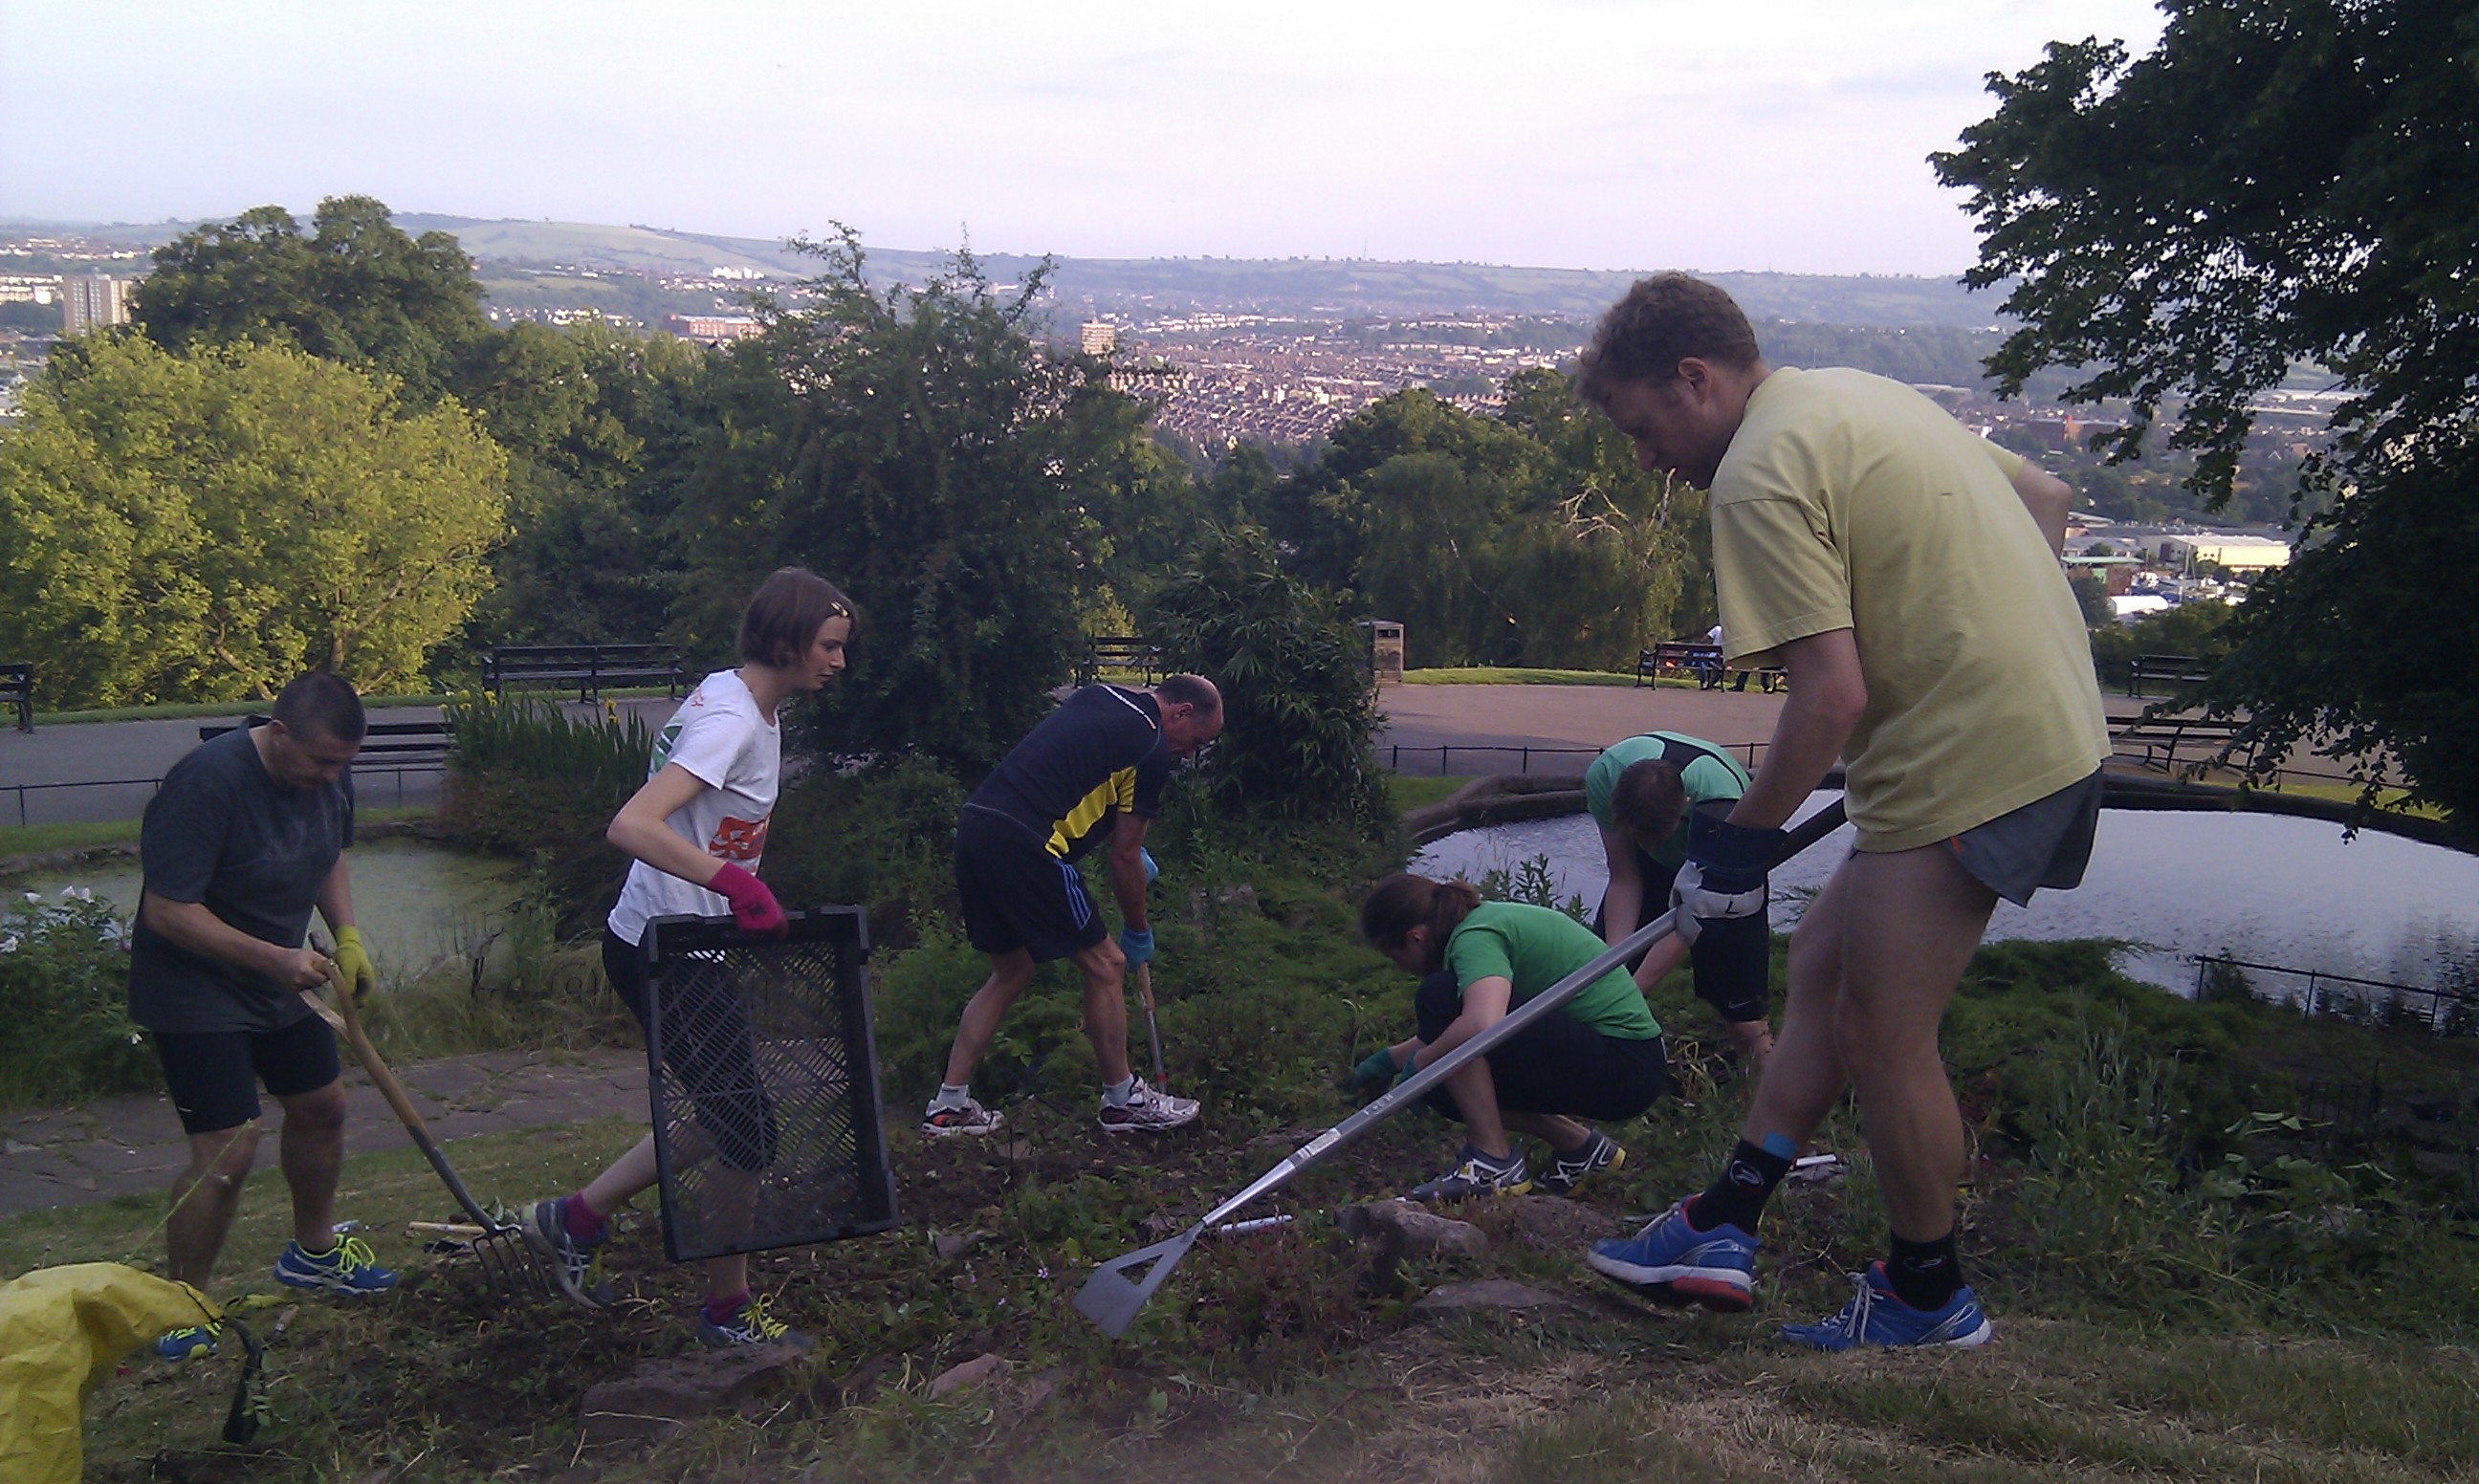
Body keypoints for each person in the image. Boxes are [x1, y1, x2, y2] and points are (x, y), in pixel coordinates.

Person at [1574, 273, 2104, 1351]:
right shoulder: (1851, 395)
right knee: (1820, 962)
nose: (1646, 459)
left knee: (1883, 1030)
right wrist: (1986, 634)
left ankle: (1927, 1296)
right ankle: (1723, 1220)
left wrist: (1735, 850)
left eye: (1643, 427)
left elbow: (1832, 696)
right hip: (2029, 726)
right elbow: (2045, 499)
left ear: (1695, 378)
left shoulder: (1758, 474)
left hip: (1970, 757)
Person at [521, 567, 853, 1349]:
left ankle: (573, 1219)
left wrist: (727, 893)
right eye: (830, 646)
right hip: (661, 948)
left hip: (684, 940)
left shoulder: (745, 703)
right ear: (786, 638)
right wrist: (734, 882)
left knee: (728, 1115)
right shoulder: (730, 722)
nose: (840, 662)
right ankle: (725, 1312)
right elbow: (632, 824)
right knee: (749, 1131)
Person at [132, 671, 395, 1363]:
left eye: (343, 764)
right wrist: (273, 959)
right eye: (320, 761)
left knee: (323, 1108)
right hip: (195, 986)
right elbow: (166, 910)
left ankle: (312, 1252)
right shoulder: (206, 782)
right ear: (279, 735)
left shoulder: (328, 771)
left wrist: (346, 936)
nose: (332, 776)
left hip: (278, 977)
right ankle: (182, 1305)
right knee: (227, 1151)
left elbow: (328, 852)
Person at [922, 676, 1223, 1138]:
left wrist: (1118, 839)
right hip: (1029, 842)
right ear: (1181, 712)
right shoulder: (1152, 748)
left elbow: (1077, 770)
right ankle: (1122, 1101)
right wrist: (1138, 930)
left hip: (979, 827)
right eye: (1195, 742)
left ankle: (949, 1105)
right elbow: (1124, 857)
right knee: (1107, 964)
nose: (1187, 754)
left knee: (1012, 969)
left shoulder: (1100, 696)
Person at [1354, 875, 1665, 1200]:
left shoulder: (1475, 937)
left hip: (1625, 1064)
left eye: (1394, 956)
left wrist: (1422, 1064)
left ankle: (1493, 1161)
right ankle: (1583, 1149)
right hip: (1626, 1063)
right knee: (1442, 1078)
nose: (1400, 967)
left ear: (1415, 938)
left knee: (1439, 998)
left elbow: (1482, 1023)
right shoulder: (1481, 922)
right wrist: (1390, 1061)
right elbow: (1468, 1025)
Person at [1585, 731, 1773, 1071]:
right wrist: (1614, 968)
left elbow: (1692, 918)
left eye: (1657, 838)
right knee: (1598, 982)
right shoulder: (1605, 774)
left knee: (1744, 1018)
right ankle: (1600, 1083)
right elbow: (1624, 877)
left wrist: (1631, 990)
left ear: (1684, 806)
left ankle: (1764, 1095)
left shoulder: (1721, 801)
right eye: (1641, 839)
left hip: (1728, 875)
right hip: (1655, 871)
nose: (1651, 846)